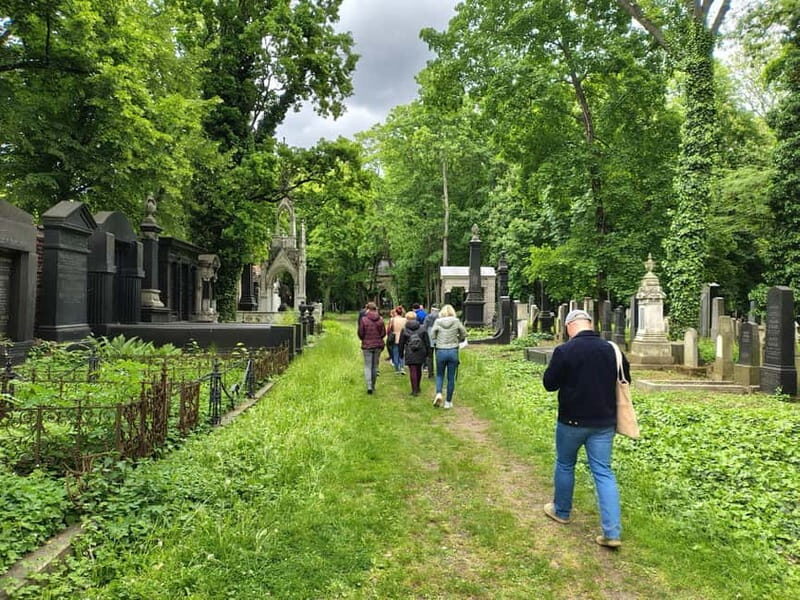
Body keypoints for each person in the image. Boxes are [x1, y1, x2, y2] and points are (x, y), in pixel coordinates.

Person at [541, 309, 631, 548]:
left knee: (565, 464)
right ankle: (612, 532)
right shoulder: (612, 349)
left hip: (571, 421)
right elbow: (626, 379)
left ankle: (561, 511)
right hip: (604, 423)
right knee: (603, 472)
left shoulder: (565, 350)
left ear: (569, 326)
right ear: (590, 324)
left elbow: (549, 384)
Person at [429, 304, 467, 409]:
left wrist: (437, 339)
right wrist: (458, 338)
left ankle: (439, 393)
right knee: (451, 377)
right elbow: (464, 333)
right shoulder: (456, 321)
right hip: (453, 350)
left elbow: (432, 335)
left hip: (440, 350)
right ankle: (448, 402)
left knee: (440, 375)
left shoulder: (438, 322)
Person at [357, 302, 386, 394]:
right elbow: (383, 333)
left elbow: (360, 333)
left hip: (367, 345)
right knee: (375, 366)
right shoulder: (380, 319)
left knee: (367, 366)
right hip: (378, 345)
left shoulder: (364, 319)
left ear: (368, 309)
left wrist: (364, 339)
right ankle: (373, 386)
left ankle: (369, 386)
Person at [398, 311, 430, 396]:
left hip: (410, 351)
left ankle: (414, 390)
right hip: (421, 351)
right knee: (419, 369)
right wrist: (428, 353)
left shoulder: (404, 329)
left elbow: (401, 343)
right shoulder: (422, 328)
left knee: (412, 370)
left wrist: (400, 354)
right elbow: (427, 341)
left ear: (407, 318)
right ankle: (418, 387)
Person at [387, 306, 407, 374]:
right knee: (402, 353)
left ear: (396, 312)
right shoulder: (405, 320)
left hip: (394, 337)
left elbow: (389, 329)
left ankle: (397, 368)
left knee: (395, 353)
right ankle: (402, 367)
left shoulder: (392, 320)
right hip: (403, 337)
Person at [422, 304, 440, 378]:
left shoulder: (428, 317)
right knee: (438, 357)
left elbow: (424, 328)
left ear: (432, 310)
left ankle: (430, 373)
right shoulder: (440, 317)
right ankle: (439, 372)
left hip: (429, 339)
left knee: (429, 357)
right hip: (438, 338)